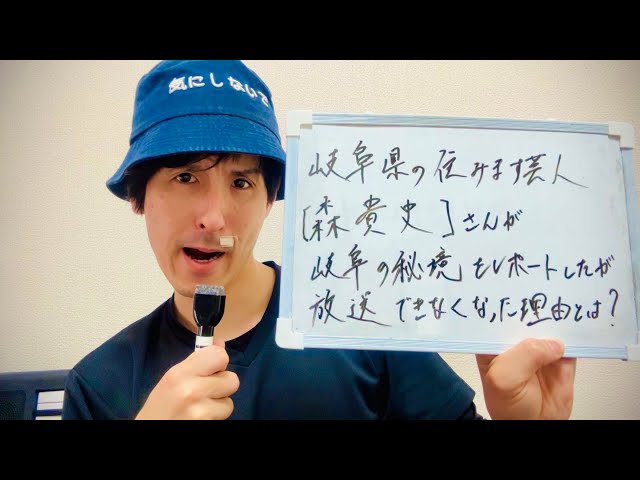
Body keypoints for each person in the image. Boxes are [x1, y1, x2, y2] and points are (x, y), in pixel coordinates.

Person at [62, 60, 577, 420]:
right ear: (138, 197)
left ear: (270, 199)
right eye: (185, 177)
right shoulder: (99, 387)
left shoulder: (362, 323)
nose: (214, 218)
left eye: (241, 182)